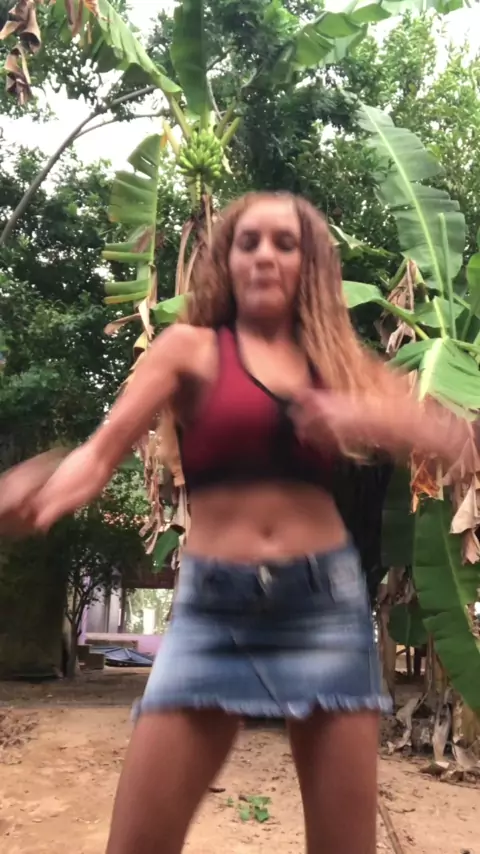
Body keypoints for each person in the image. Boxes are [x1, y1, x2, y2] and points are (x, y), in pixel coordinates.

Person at [0, 192, 469, 854]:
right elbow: (99, 454)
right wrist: (47, 498)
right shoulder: (188, 349)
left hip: (324, 610)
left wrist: (368, 416)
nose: (265, 256)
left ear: (309, 264)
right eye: (249, 242)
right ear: (226, 260)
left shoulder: (338, 361)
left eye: (285, 243)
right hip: (214, 613)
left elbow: (450, 442)